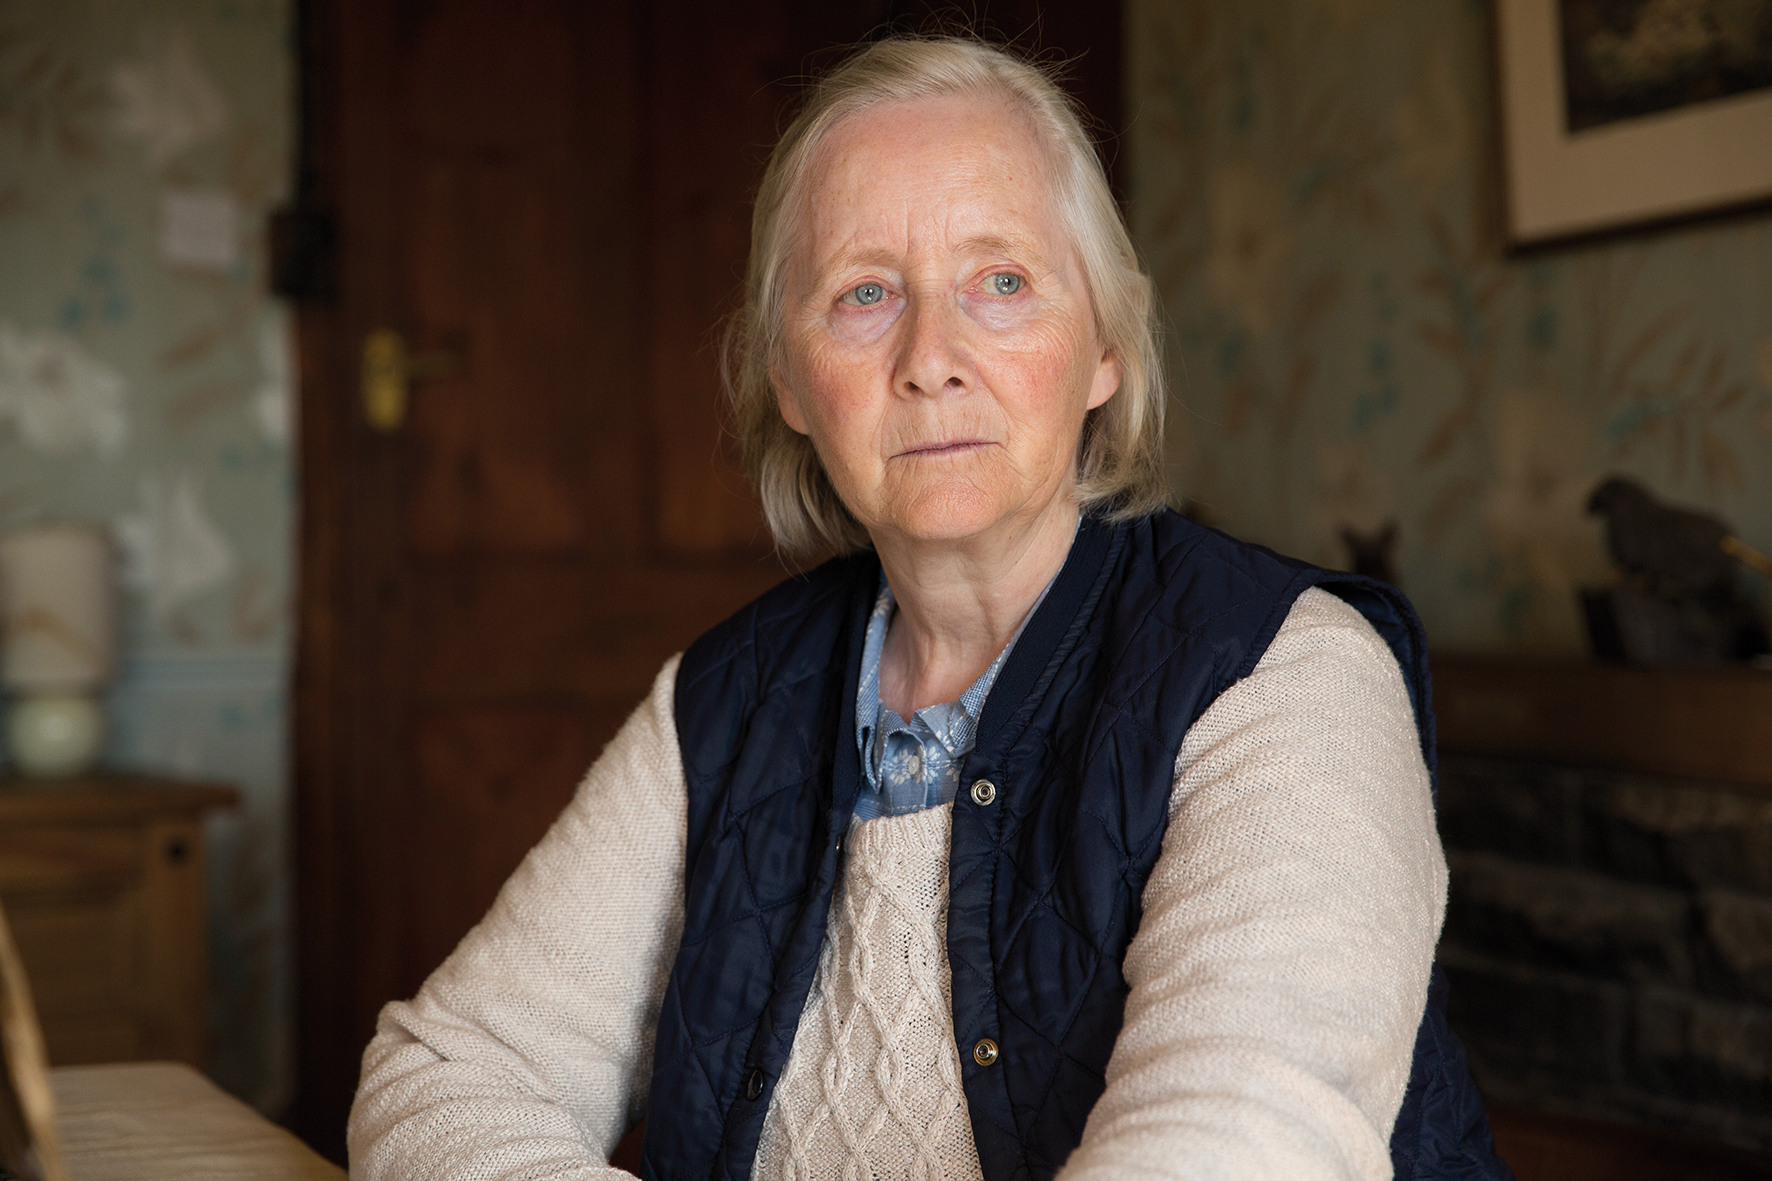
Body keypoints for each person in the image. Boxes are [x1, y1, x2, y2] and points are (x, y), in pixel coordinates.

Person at [348, 36, 1511, 1181]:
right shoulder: (718, 704)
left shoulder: (1284, 673)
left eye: (999, 282)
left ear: (1103, 346)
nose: (929, 357)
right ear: (789, 380)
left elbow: (1237, 1144)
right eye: (863, 294)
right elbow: (447, 1074)